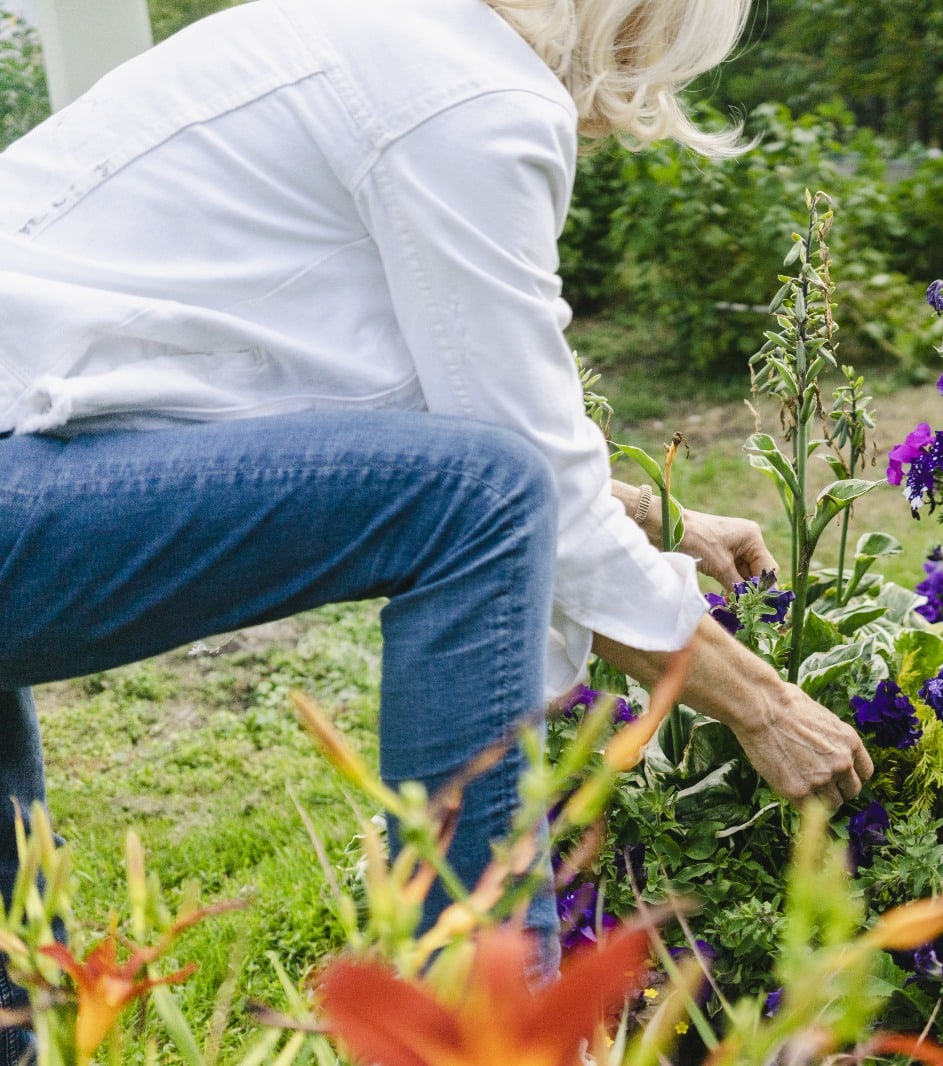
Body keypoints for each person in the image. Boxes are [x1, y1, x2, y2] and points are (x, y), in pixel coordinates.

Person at [0, 0, 872, 1047]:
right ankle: (483, 1023)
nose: (631, 114)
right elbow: (515, 476)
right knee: (484, 499)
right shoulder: (470, 99)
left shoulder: (375, 33)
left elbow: (360, 385)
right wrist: (764, 704)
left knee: (10, 986)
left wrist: (649, 515)